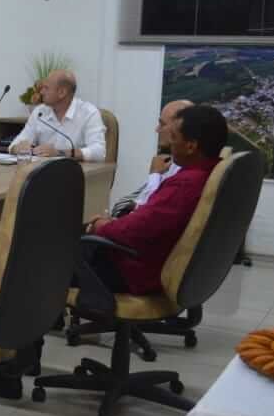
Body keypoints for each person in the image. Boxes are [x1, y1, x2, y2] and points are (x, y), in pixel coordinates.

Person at [84, 105, 228, 295]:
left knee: (54, 255)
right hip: (161, 263)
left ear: (191, 146)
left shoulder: (185, 184)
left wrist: (101, 225)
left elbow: (136, 230)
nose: (169, 144)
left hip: (134, 272)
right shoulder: (213, 171)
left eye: (174, 137)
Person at [110, 99, 193, 218]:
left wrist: (154, 175)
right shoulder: (171, 163)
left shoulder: (182, 173)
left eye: (163, 124)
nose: (157, 129)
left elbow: (147, 208)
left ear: (179, 128)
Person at [8, 69, 106, 161]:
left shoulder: (89, 113)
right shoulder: (40, 112)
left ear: (62, 93)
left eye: (46, 88)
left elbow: (99, 151)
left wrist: (60, 153)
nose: (41, 92)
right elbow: (13, 145)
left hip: (77, 174)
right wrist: (18, 148)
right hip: (43, 173)